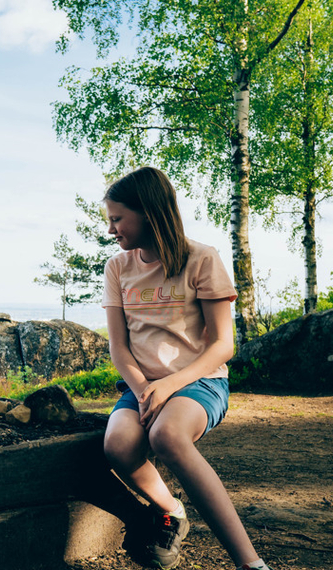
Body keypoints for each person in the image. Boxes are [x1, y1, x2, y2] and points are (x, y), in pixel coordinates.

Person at [101, 166, 270, 570]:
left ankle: (250, 563)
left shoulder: (202, 259)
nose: (111, 231)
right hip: (142, 385)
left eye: (117, 219)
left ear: (149, 213)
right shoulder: (118, 268)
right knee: (117, 447)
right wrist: (145, 389)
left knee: (168, 436)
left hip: (199, 382)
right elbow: (119, 347)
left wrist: (170, 385)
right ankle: (172, 511)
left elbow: (222, 345)